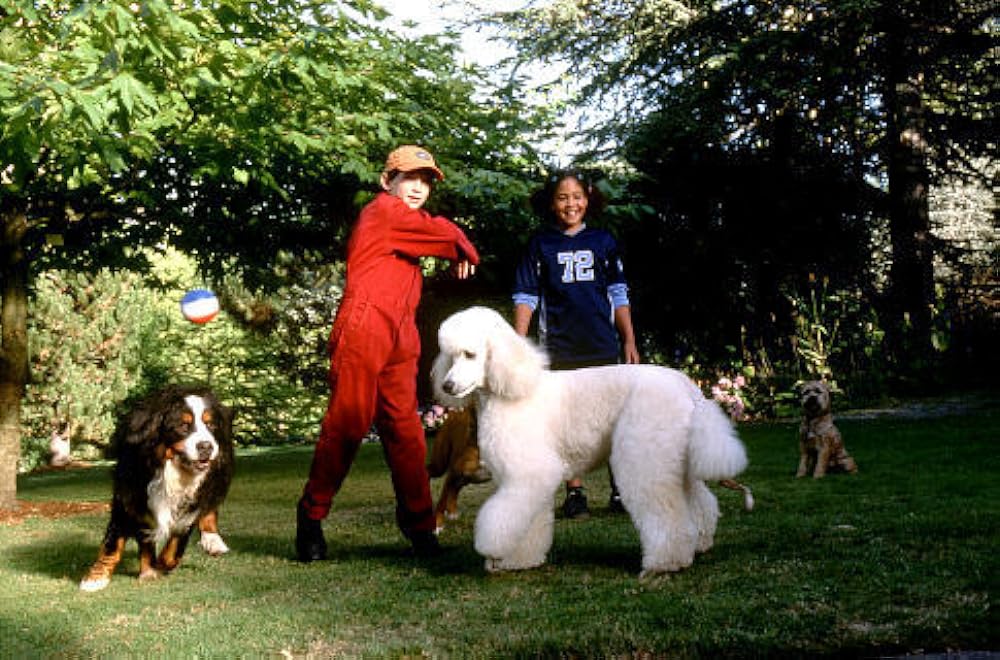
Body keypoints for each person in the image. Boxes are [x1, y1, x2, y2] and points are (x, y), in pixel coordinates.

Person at [296, 145, 479, 561]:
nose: (417, 187)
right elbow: (445, 234)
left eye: (426, 180)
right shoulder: (383, 212)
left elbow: (418, 253)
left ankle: (419, 527)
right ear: (387, 181)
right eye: (409, 178)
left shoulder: (405, 230)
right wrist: (463, 248)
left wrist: (452, 260)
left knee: (408, 434)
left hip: (400, 334)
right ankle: (310, 517)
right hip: (365, 328)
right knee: (347, 425)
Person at [512, 170, 640, 519]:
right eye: (563, 197)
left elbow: (618, 293)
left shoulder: (603, 241)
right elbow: (525, 296)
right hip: (560, 348)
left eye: (577, 196)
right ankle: (575, 492)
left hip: (602, 344)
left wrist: (628, 338)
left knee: (613, 417)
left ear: (589, 198)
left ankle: (621, 491)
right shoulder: (540, 244)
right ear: (552, 203)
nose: (571, 204)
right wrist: (519, 345)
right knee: (565, 422)